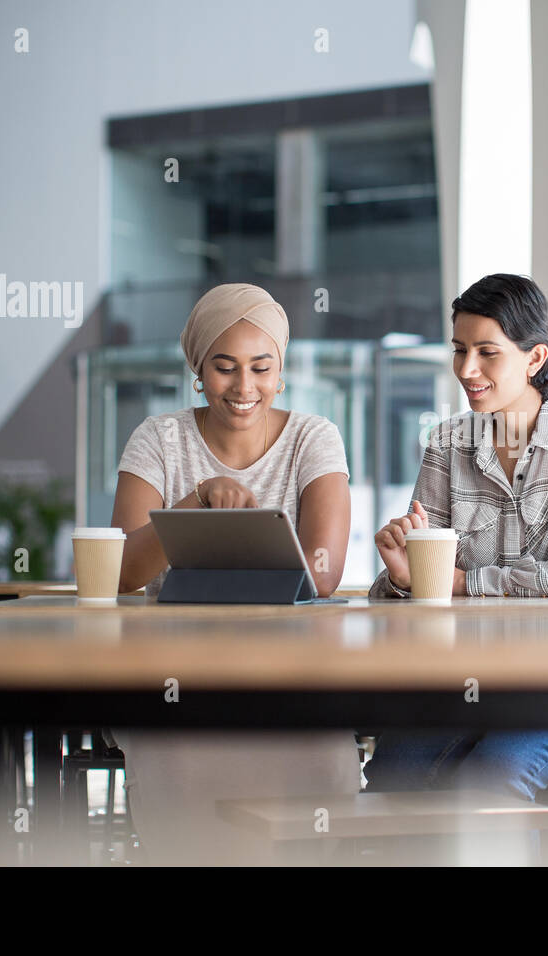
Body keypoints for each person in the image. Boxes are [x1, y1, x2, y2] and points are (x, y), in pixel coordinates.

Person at [108, 283, 359, 863]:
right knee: (178, 748)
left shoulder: (312, 438)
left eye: (260, 368)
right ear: (198, 370)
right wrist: (198, 503)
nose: (244, 388)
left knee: (321, 754)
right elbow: (121, 571)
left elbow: (321, 573)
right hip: (173, 666)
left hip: (288, 666)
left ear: (281, 373)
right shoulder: (159, 439)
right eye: (224, 368)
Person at [364, 273, 548, 804]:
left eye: (488, 353)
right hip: (472, 684)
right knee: (392, 775)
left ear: (535, 358)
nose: (467, 370)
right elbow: (412, 589)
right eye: (460, 350)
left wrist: (461, 582)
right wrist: (402, 580)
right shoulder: (448, 441)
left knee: (491, 776)